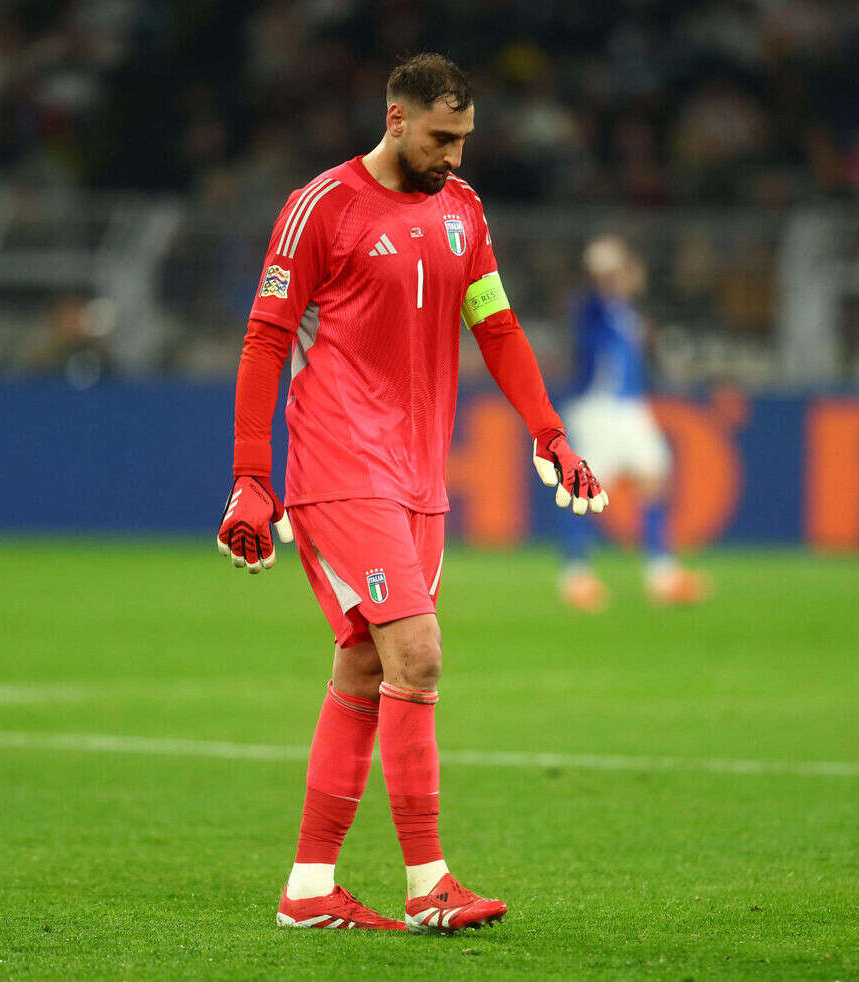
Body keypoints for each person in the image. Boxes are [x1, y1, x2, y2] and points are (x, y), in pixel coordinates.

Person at [216, 54, 607, 934]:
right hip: (340, 463)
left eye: (465, 139)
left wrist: (550, 432)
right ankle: (429, 881)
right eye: (441, 137)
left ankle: (309, 890)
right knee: (419, 656)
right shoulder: (324, 207)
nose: (456, 156)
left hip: (419, 478)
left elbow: (497, 326)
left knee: (366, 662)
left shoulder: (464, 211)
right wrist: (251, 479)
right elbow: (265, 339)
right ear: (396, 120)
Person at [558, 234, 706, 611]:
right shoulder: (594, 307)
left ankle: (662, 574)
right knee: (586, 492)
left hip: (629, 407)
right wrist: (604, 274)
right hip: (599, 408)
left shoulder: (627, 312)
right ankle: (576, 576)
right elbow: (593, 309)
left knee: (655, 478)